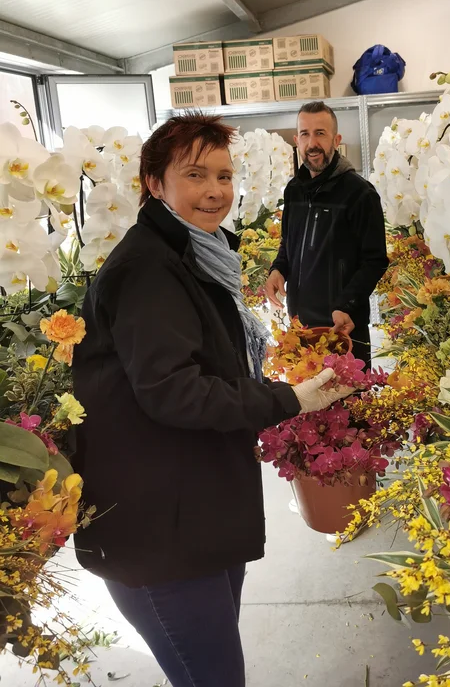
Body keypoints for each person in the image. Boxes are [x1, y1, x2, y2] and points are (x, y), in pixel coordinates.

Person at [72, 113, 351, 687]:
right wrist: (286, 400)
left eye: (224, 176)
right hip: (155, 528)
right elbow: (174, 392)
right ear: (154, 182)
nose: (215, 191)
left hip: (193, 507)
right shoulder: (149, 268)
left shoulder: (195, 255)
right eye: (195, 175)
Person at [266, 101, 388, 367]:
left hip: (343, 325)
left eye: (320, 133)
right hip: (301, 325)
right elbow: (290, 242)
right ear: (297, 140)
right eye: (306, 134)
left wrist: (347, 304)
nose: (313, 143)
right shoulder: (294, 191)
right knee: (306, 404)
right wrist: (278, 269)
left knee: (351, 406)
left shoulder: (360, 194)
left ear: (336, 139)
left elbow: (375, 260)